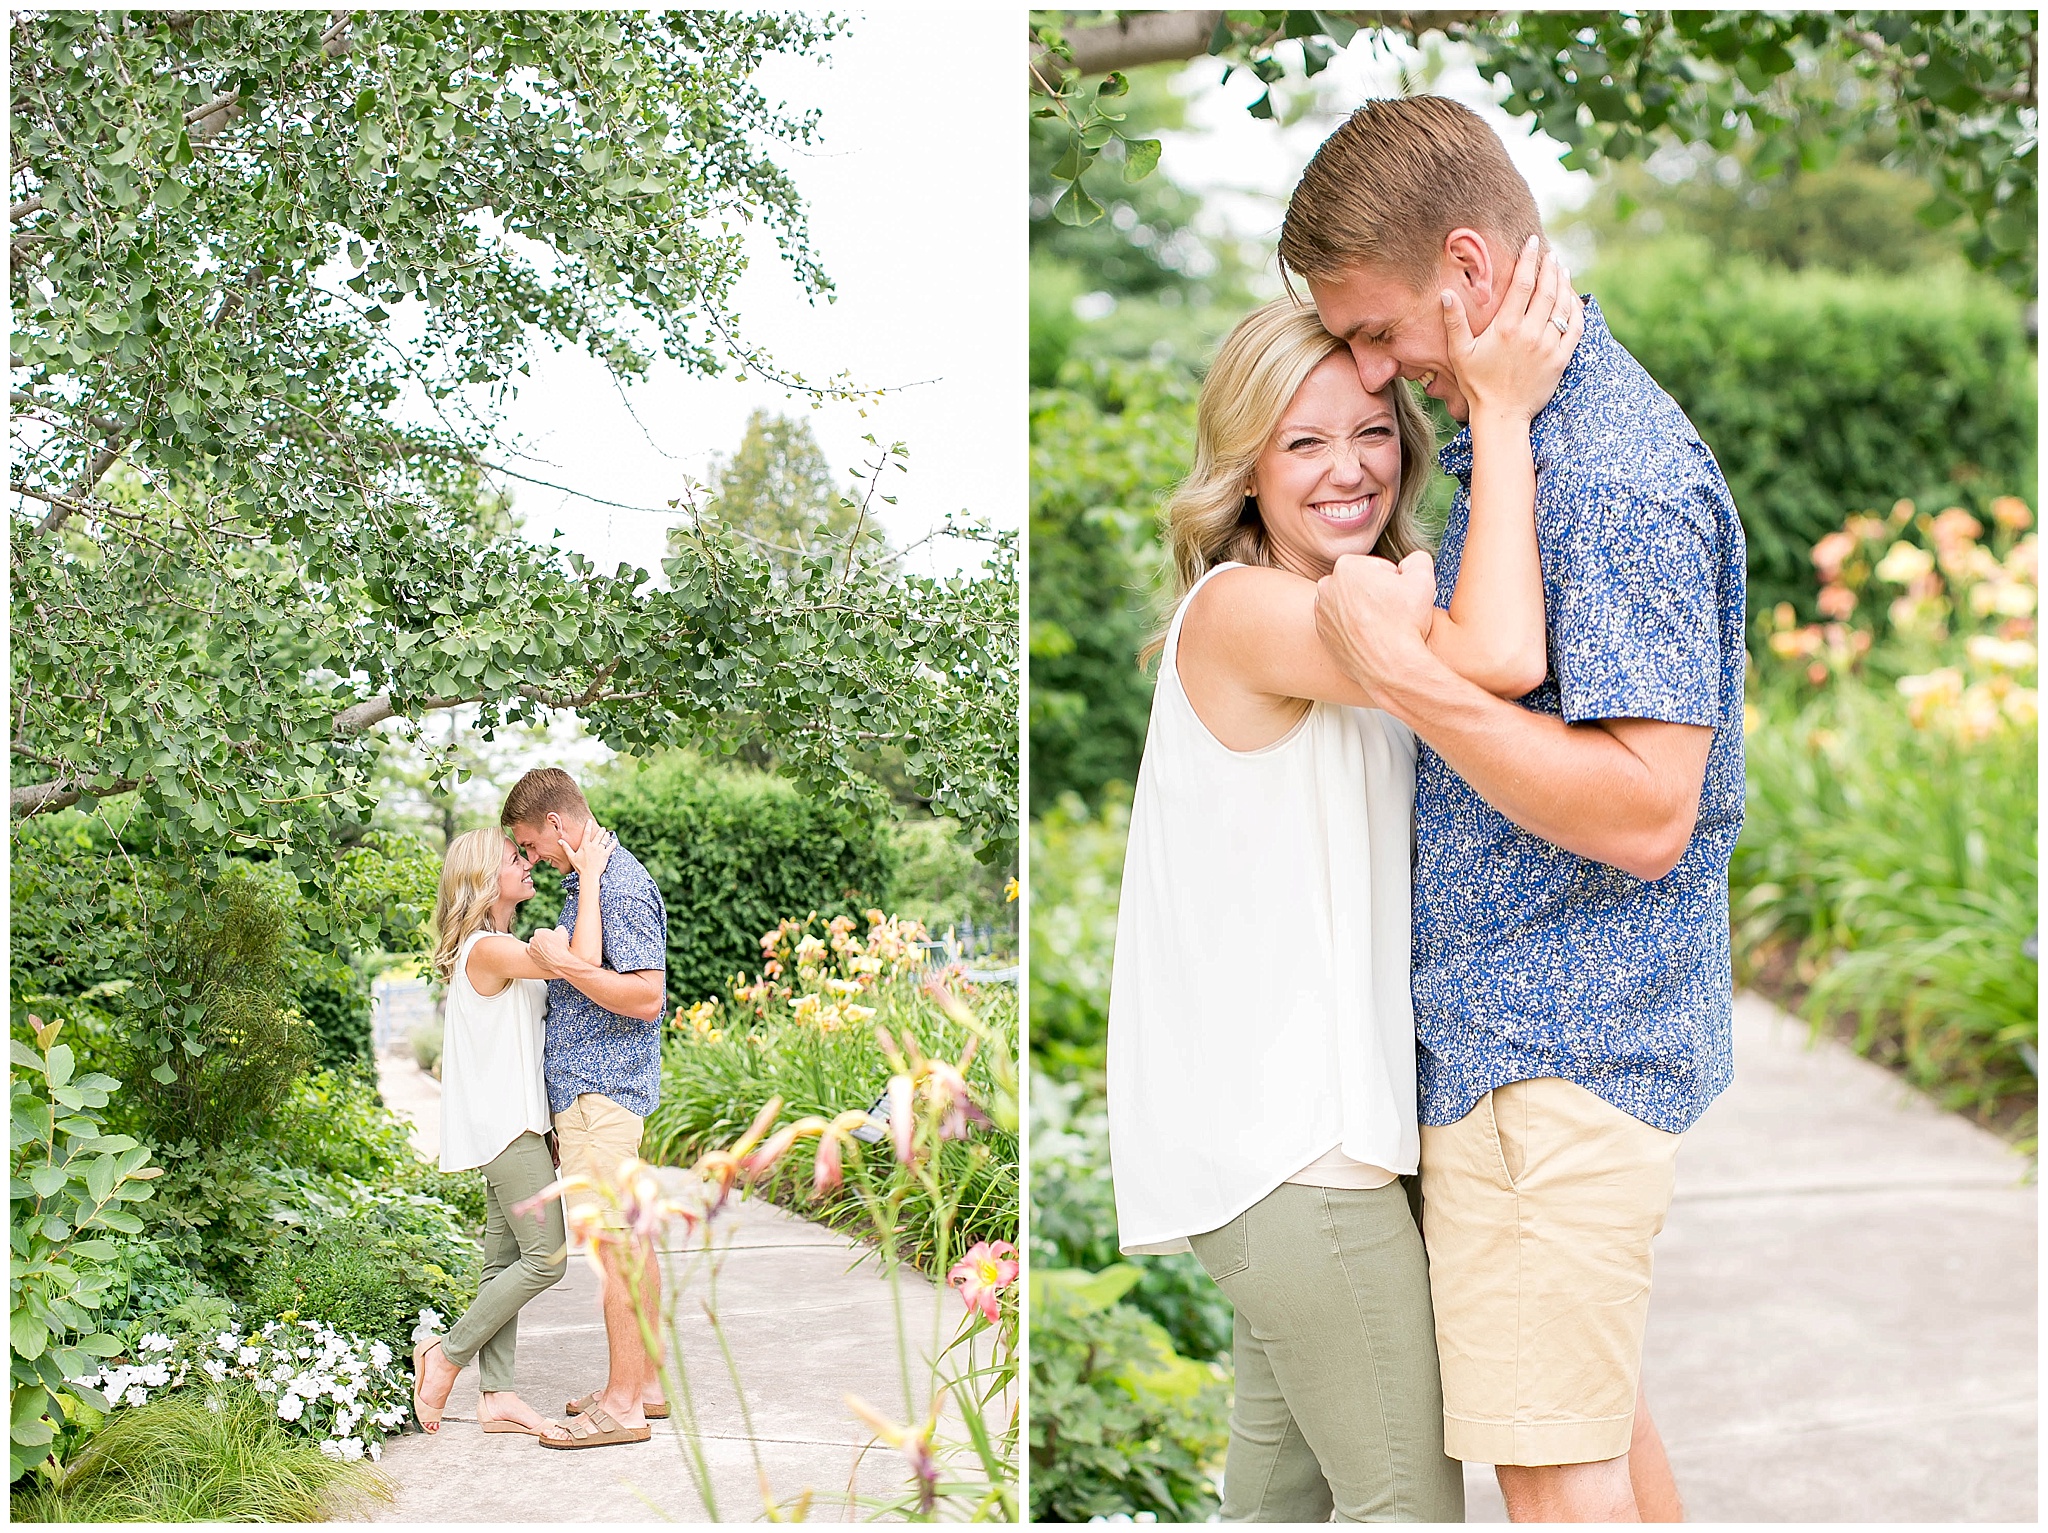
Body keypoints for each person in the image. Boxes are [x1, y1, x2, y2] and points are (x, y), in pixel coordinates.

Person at [1285, 96, 1748, 1523]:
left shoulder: (1608, 481)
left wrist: (1413, 691)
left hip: (1549, 1057)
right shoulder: (1536, 443)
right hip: (1525, 1048)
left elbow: (1646, 810)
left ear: (1469, 273)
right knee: (1595, 1436)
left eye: (1375, 331)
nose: (1373, 369)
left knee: (1557, 1486)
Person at [1107, 241, 1583, 1521]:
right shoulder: (1244, 613)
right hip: (1293, 1148)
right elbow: (1495, 652)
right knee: (1405, 1509)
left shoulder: (1347, 609)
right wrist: (1498, 402)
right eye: (1302, 443)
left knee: (1277, 1499)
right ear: (1245, 467)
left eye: (1372, 431)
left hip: (1304, 1141)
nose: (1347, 468)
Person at [410, 823, 617, 1442]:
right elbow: (579, 965)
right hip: (506, 1127)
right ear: (483, 879)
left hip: (516, 1123)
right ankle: (445, 1358)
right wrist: (591, 879)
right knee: (546, 1257)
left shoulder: (495, 943)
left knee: (502, 1261)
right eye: (513, 858)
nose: (527, 863)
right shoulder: (487, 949)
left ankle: (497, 1396)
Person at [498, 767, 670, 1451]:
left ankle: (624, 1406)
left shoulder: (619, 884)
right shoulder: (593, 882)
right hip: (590, 1094)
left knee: (616, 1247)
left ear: (559, 826)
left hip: (604, 1097)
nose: (530, 857)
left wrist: (563, 965)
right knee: (635, 1240)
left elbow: (646, 996)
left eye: (530, 844)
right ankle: (643, 1384)